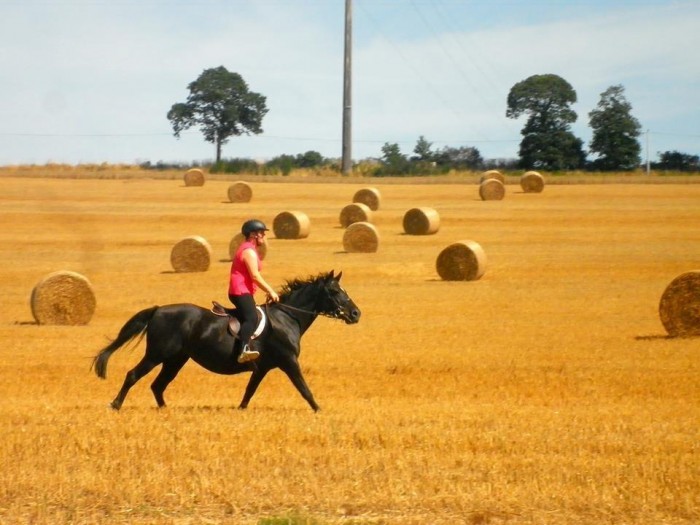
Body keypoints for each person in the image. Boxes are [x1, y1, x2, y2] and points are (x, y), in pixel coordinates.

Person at [229, 219, 279, 363]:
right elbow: (255, 276)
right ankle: (243, 350)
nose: (264, 235)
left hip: (243, 290)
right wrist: (270, 291)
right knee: (251, 317)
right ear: (253, 234)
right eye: (262, 233)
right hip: (239, 291)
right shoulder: (248, 251)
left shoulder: (249, 249)